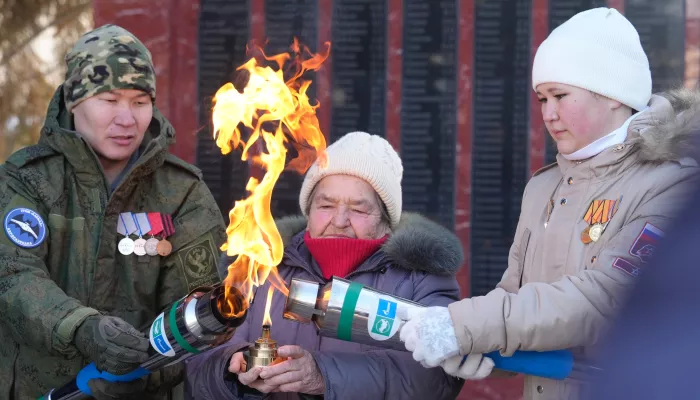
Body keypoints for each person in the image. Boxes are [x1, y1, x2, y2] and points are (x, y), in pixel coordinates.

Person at [399, 7, 700, 400]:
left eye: (560, 95)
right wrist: (479, 348)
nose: (549, 114)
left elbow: (604, 299)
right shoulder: (545, 187)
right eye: (542, 98)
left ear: (613, 95)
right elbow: (515, 298)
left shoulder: (671, 181)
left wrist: (465, 325)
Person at [0, 25, 225, 399]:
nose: (127, 118)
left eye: (139, 101)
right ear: (74, 101)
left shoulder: (183, 193)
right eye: (109, 99)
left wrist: (143, 374)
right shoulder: (26, 180)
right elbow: (12, 276)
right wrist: (81, 327)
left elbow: (202, 314)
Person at [185, 131, 464, 399]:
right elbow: (198, 366)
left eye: (359, 209)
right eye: (326, 205)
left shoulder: (420, 278)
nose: (340, 220)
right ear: (309, 211)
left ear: (385, 218)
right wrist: (232, 370)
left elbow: (433, 380)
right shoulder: (260, 265)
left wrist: (322, 376)